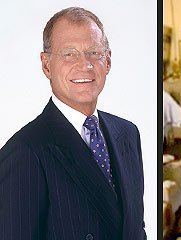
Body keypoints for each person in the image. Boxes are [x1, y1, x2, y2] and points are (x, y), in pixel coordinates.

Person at [0, 7, 145, 240]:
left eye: (94, 53)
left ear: (107, 61)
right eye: (69, 54)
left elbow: (135, 229)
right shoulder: (25, 151)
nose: (85, 65)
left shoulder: (127, 134)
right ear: (46, 65)